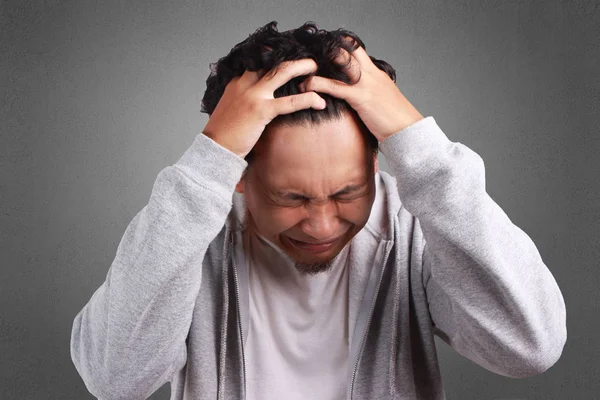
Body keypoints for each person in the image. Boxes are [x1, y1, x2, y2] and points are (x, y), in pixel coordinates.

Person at [70, 21, 567, 400]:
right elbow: (115, 377)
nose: (324, 224)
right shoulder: (188, 234)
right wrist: (205, 166)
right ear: (238, 175)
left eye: (349, 192)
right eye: (293, 198)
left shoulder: (421, 228)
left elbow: (528, 347)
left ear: (378, 160)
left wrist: (424, 150)